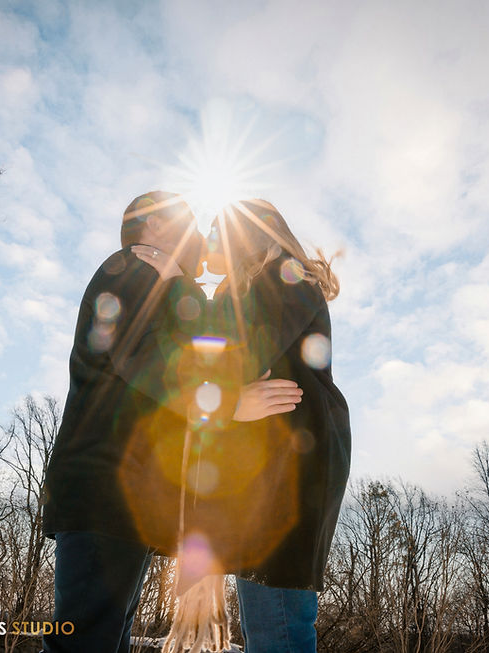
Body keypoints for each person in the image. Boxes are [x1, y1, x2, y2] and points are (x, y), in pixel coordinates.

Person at [41, 191, 303, 653]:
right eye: (192, 223)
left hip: (126, 496)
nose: (203, 236)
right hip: (104, 488)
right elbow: (147, 359)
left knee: (103, 641)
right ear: (156, 226)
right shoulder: (132, 269)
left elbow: (200, 346)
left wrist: (181, 282)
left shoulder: (159, 280)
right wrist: (228, 406)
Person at [137, 198, 351, 652]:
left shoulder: (284, 276)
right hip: (277, 469)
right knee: (275, 622)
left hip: (288, 470)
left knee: (278, 625)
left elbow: (235, 354)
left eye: (219, 230)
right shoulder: (261, 284)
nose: (211, 240)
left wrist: (176, 284)